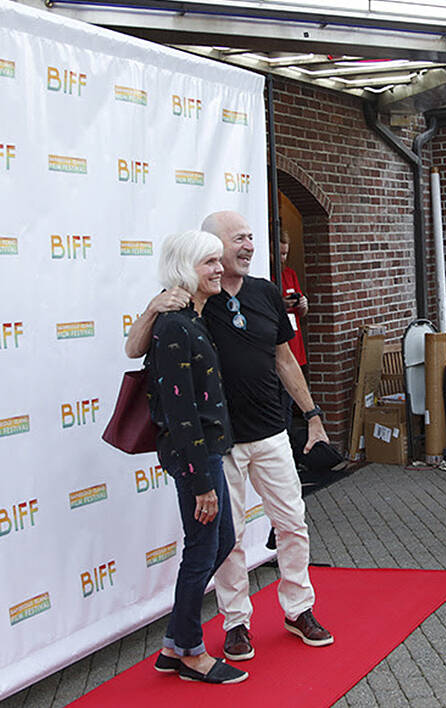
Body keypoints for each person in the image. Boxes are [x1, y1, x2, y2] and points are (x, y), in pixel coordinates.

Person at [126, 211, 333, 662]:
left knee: (292, 523)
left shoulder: (265, 293)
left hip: (272, 432)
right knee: (231, 539)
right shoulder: (190, 296)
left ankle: (299, 609)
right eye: (238, 239)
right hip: (221, 445)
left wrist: (312, 416)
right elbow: (135, 349)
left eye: (250, 238)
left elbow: (284, 359)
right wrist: (151, 308)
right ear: (212, 247)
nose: (247, 247)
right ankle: (236, 621)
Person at [149, 231, 246, 685]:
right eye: (209, 262)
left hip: (206, 454)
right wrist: (201, 479)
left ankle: (173, 643)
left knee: (220, 541)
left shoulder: (193, 318)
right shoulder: (173, 325)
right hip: (196, 458)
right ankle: (190, 651)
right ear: (187, 267)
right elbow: (179, 409)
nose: (218, 269)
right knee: (203, 549)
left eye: (216, 260)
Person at [278, 226, 310, 373]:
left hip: (295, 338)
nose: (282, 258)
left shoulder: (290, 274)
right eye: (279, 254)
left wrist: (303, 305)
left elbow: (302, 313)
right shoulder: (265, 275)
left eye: (285, 254)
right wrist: (281, 304)